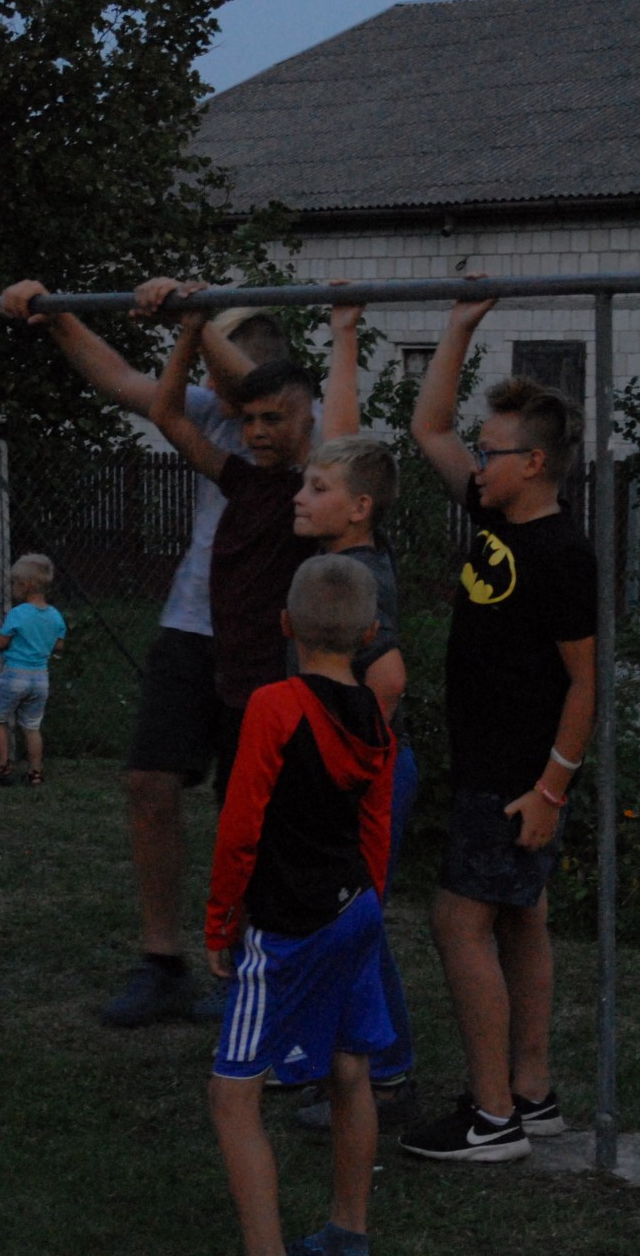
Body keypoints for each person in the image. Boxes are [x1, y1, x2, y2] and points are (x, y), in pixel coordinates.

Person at [0, 277, 289, 1026]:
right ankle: (162, 962)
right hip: (188, 629)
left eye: (222, 379)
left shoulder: (290, 431)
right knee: (147, 782)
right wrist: (55, 313)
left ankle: (248, 962)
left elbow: (247, 386)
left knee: (250, 811)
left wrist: (194, 322)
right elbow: (122, 380)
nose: (213, 395)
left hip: (264, 644)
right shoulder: (209, 411)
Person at [398, 290, 595, 1162]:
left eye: (493, 451)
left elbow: (586, 683)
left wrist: (550, 789)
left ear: (536, 462)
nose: (477, 460)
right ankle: (531, 1092)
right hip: (490, 761)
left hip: (516, 774)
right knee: (520, 917)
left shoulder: (563, 555)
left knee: (458, 920)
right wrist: (461, 327)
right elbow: (429, 427)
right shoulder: (491, 513)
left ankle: (491, 1116)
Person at [149, 295, 352, 1018]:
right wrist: (187, 331)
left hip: (279, 687)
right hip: (235, 683)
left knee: (275, 831)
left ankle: (276, 972)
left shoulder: (314, 489)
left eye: (275, 419)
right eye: (251, 420)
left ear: (306, 420)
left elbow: (341, 432)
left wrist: (346, 332)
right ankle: (240, 965)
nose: (259, 431)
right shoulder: (241, 477)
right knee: (240, 824)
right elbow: (168, 415)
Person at [207, 556, 396, 1256]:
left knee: (233, 1095)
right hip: (355, 911)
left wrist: (221, 921)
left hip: (287, 925)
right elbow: (376, 826)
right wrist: (367, 904)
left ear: (285, 624)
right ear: (370, 634)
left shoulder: (274, 706)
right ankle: (350, 1232)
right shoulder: (375, 716)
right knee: (351, 1069)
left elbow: (240, 826)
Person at [282, 308, 421, 1132]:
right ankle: (344, 1062)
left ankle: (389, 1077)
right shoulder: (346, 552)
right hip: (354, 769)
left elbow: (389, 680)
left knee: (355, 922)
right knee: (339, 916)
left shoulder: (355, 577)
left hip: (365, 774)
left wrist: (341, 771)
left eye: (317, 489)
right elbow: (343, 437)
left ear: (359, 507)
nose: (300, 496)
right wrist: (343, 334)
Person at [0, 553, 68, 788]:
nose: (13, 587)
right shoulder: (54, 615)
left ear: (26, 585)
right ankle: (35, 773)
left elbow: (2, 641)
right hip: (40, 678)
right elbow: (59, 645)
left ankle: (3, 765)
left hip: (15, 675)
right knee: (32, 726)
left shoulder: (19, 613)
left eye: (15, 583)